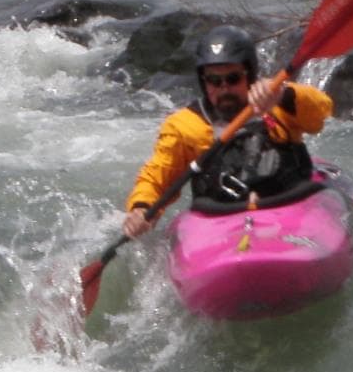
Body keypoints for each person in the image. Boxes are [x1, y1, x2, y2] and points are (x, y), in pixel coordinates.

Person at [120, 24, 334, 239]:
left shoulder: (280, 103)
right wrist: (141, 208)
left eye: (232, 79)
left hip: (290, 209)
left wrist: (283, 94)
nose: (224, 88)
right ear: (204, 82)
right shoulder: (184, 125)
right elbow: (156, 177)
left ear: (249, 75)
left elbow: (321, 113)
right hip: (221, 221)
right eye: (214, 80)